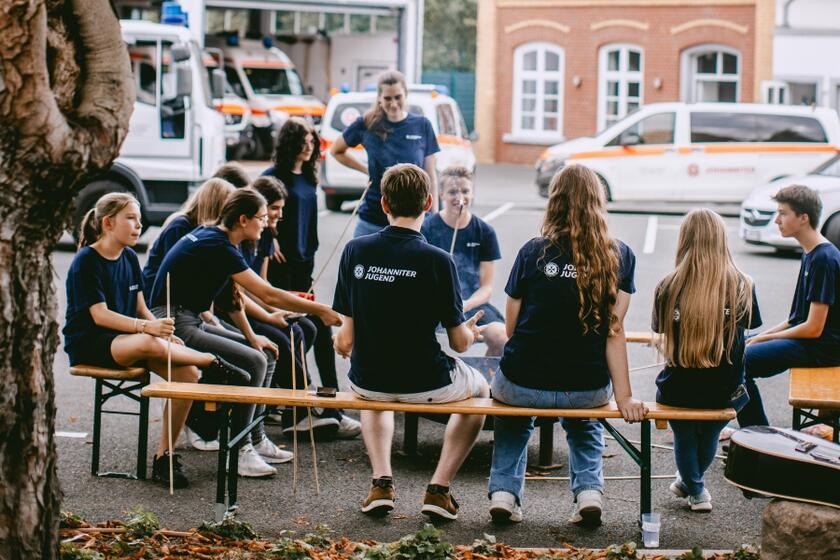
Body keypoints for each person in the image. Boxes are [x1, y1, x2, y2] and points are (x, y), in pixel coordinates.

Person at [486, 164, 646, 527]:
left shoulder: (532, 252)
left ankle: (504, 494)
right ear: (598, 201)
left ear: (553, 202)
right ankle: (589, 491)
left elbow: (511, 327)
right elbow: (614, 332)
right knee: (586, 423)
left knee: (511, 422)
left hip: (521, 383)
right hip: (585, 388)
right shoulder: (620, 255)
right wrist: (623, 398)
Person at [147, 189, 342, 478]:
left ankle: (255, 438)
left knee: (264, 353)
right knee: (256, 362)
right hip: (174, 321)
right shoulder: (218, 244)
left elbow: (231, 297)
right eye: (262, 217)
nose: (265, 223)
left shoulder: (217, 238)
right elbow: (267, 293)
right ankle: (239, 451)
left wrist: (253, 336)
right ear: (243, 219)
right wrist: (321, 310)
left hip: (192, 318)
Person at [332, 163, 489, 521]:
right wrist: (469, 329)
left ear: (384, 204)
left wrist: (342, 344)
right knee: (481, 393)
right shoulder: (438, 259)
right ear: (429, 203)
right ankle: (438, 489)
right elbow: (460, 345)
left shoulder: (356, 251)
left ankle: (381, 482)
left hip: (368, 378)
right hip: (427, 382)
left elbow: (345, 337)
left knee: (374, 397)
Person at [63, 192, 251, 489]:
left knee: (188, 374)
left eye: (139, 219)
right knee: (151, 344)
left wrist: (163, 330)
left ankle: (165, 456)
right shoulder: (87, 260)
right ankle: (212, 360)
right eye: (131, 218)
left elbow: (140, 306)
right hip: (92, 342)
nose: (139, 225)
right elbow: (99, 316)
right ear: (108, 222)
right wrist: (146, 329)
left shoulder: (127, 256)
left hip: (130, 339)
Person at [653, 209, 761, 512]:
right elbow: (749, 328)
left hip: (679, 387)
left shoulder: (668, 285)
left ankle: (696, 489)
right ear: (721, 240)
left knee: (685, 436)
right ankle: (692, 485)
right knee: (710, 432)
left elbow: (660, 330)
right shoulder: (742, 284)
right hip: (725, 389)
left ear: (684, 241)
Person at [261, 119, 361, 439]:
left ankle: (331, 404)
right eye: (303, 140)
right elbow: (252, 208)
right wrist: (269, 237)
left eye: (312, 140)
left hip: (305, 262)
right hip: (280, 265)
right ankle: (292, 402)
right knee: (298, 329)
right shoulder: (271, 178)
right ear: (290, 142)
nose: (309, 145)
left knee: (317, 329)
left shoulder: (308, 177)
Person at [736, 185, 840, 431]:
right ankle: (754, 432)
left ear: (804, 218)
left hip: (822, 349)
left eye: (783, 213)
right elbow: (796, 319)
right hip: (810, 342)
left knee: (736, 362)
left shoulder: (824, 259)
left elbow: (813, 328)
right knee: (734, 346)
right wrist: (760, 337)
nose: (777, 220)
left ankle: (757, 435)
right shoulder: (811, 253)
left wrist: (768, 337)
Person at [330, 70, 440, 237]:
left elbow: (430, 174)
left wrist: (433, 215)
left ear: (405, 95)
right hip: (373, 219)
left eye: (398, 97)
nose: (394, 103)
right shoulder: (367, 124)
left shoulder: (422, 125)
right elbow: (336, 150)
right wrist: (366, 169)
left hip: (413, 221)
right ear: (379, 98)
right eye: (388, 98)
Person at [421, 166, 506, 356]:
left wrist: (465, 305)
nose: (460, 197)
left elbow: (486, 288)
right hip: (434, 305)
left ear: (472, 193)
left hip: (471, 304)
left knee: (502, 336)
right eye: (452, 192)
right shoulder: (426, 228)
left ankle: (486, 379)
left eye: (465, 191)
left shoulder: (485, 231)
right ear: (441, 194)